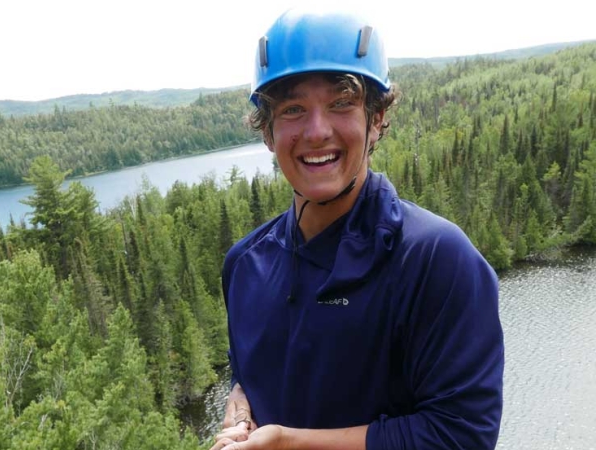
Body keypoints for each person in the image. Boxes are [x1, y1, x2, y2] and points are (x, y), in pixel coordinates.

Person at [209, 7, 504, 450]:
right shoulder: (245, 265)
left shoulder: (434, 260)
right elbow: (248, 371)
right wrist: (240, 401)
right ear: (268, 132)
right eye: (292, 109)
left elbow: (461, 435)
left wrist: (288, 443)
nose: (316, 130)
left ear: (377, 118)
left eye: (341, 103)